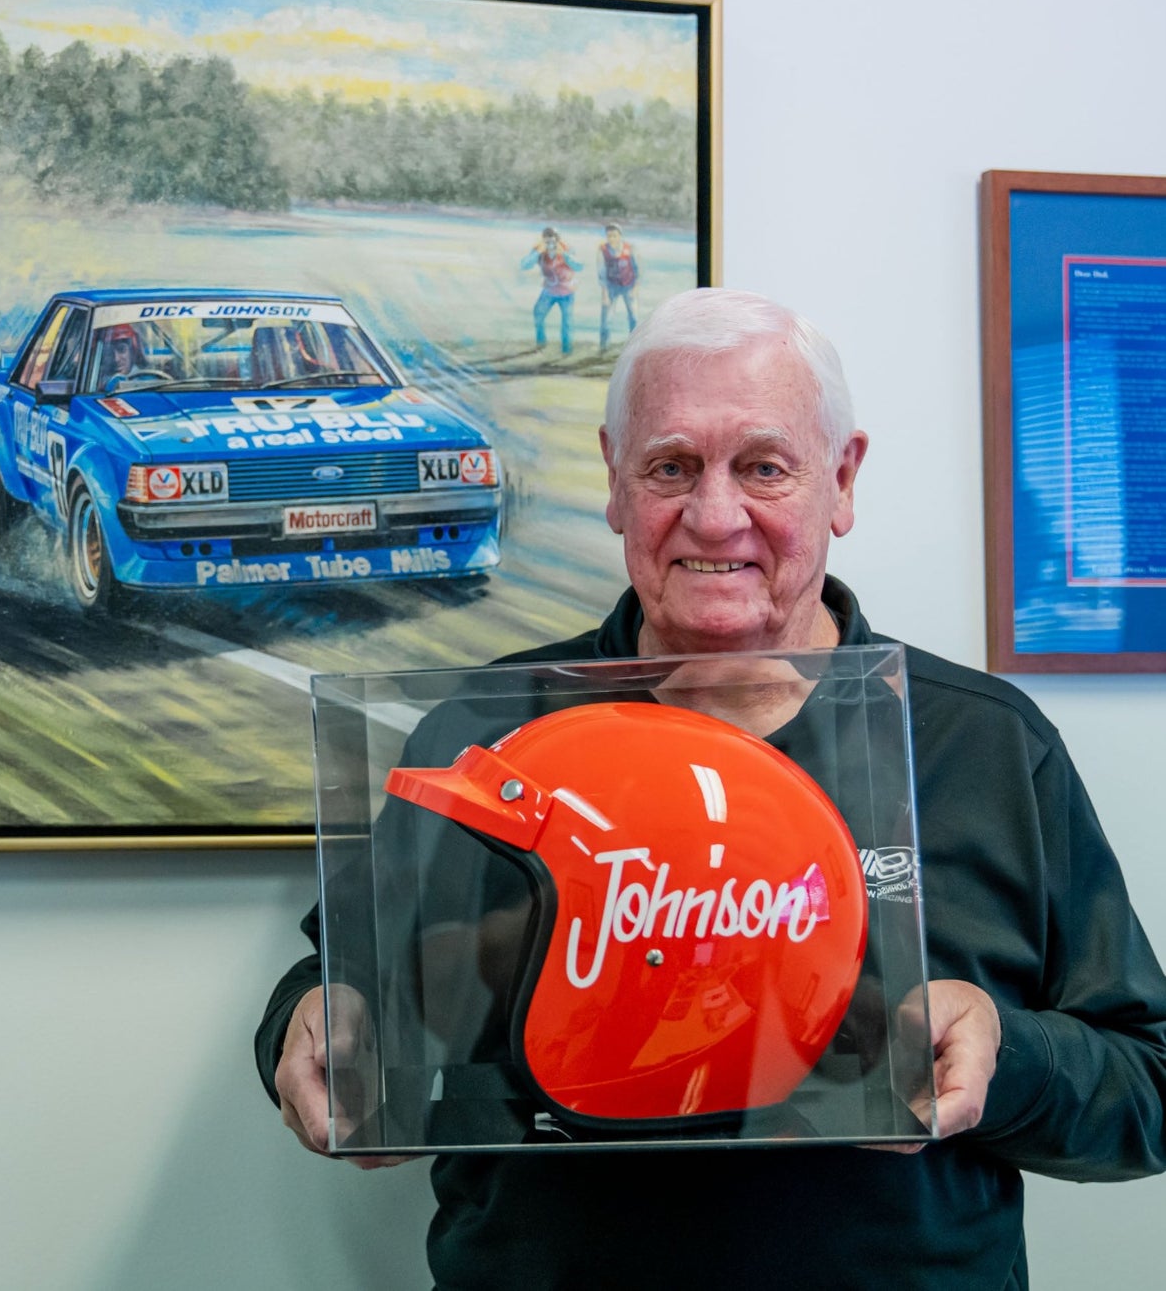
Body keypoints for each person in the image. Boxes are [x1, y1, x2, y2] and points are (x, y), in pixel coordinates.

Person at [256, 288, 1166, 1289]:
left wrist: (1004, 1054)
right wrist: (315, 1020)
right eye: (670, 466)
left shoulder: (982, 742)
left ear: (841, 478)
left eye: (763, 466)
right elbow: (339, 981)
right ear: (614, 479)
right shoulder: (479, 729)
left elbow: (1145, 1087)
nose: (714, 513)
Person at [520, 227, 583, 354]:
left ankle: (566, 349)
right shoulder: (539, 250)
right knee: (538, 314)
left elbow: (578, 266)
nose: (550, 245)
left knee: (567, 321)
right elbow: (525, 265)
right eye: (547, 242)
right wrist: (537, 253)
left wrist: (565, 255)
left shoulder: (566, 249)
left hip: (566, 290)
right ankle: (541, 343)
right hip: (549, 290)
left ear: (558, 240)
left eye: (553, 241)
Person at [597, 221, 641, 347]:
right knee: (606, 320)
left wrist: (635, 289)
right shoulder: (603, 250)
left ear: (620, 236)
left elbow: (638, 270)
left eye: (614, 236)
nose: (611, 238)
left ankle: (634, 347)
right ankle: (603, 348)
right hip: (611, 287)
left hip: (629, 286)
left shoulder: (630, 249)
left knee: (634, 318)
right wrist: (604, 294)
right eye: (609, 236)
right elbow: (601, 273)